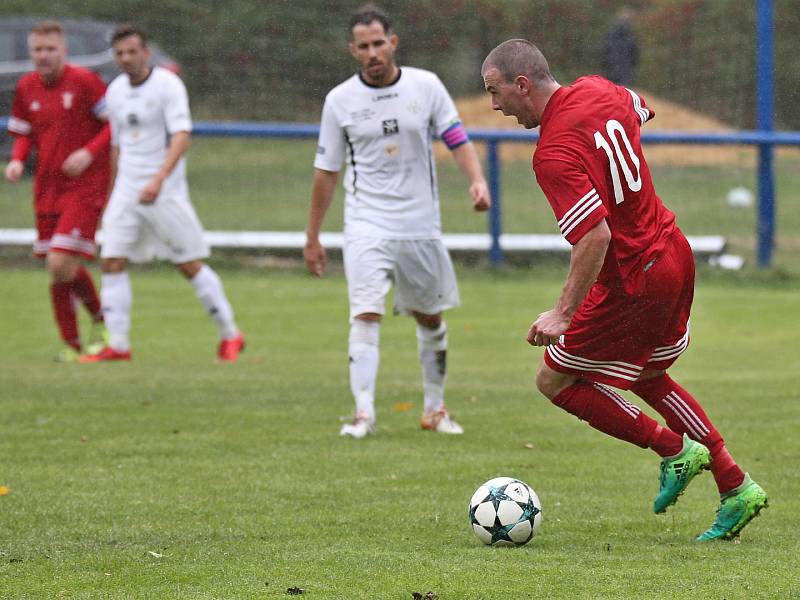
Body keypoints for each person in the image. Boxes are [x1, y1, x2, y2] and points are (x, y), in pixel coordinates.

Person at [481, 39, 767, 541]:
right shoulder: (600, 88)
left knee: (554, 381)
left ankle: (674, 449)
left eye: (495, 91)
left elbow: (594, 235)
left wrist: (562, 313)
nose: (494, 105)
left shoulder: (551, 153)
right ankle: (735, 484)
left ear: (521, 84)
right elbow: (638, 114)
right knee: (647, 373)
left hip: (636, 277)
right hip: (673, 250)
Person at [305, 4, 491, 438]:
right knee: (365, 314)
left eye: (378, 43)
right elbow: (326, 171)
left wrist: (477, 181)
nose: (372, 52)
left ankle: (434, 408)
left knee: (429, 317)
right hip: (366, 222)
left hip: (419, 225)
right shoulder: (339, 101)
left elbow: (455, 137)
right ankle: (363, 414)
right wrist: (312, 235)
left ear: (393, 43)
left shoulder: (425, 86)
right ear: (353, 50)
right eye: (363, 46)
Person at [80, 24, 245, 363]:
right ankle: (119, 345)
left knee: (187, 264)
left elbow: (181, 136)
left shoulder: (168, 85)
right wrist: (112, 192)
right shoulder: (115, 91)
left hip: (164, 192)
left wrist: (158, 179)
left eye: (132, 51)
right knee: (111, 260)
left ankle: (231, 334)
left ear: (146, 52)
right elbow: (116, 146)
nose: (126, 58)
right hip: (127, 190)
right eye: (120, 53)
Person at [4, 20, 110, 362]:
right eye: (38, 49)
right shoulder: (26, 87)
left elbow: (114, 124)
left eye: (50, 49)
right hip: (46, 188)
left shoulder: (84, 82)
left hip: (83, 186)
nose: (43, 55)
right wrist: (18, 160)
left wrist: (88, 153)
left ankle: (96, 327)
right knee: (59, 268)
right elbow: (23, 132)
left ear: (64, 51)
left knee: (58, 261)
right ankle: (75, 342)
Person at [600, 7, 639, 87]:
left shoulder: (611, 34)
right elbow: (634, 53)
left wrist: (605, 63)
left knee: (609, 89)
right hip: (625, 67)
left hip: (611, 65)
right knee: (623, 90)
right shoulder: (630, 35)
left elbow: (605, 50)